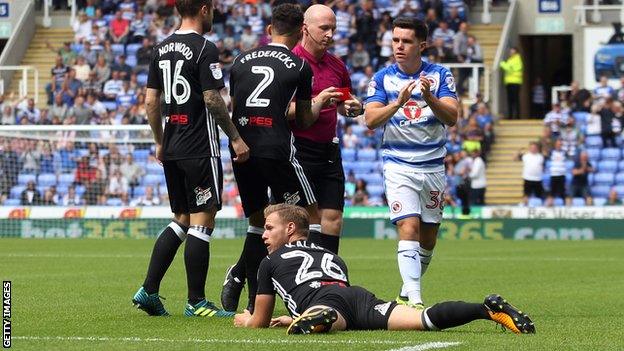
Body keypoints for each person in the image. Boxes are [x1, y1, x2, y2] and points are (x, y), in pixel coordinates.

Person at [233, 203, 536, 336]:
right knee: (423, 319)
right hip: (358, 297)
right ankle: (485, 309)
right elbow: (337, 292)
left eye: (269, 228)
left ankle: (319, 319)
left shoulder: (270, 261)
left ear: (289, 229)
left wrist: (246, 320)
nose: (264, 235)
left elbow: (259, 321)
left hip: (325, 303)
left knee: (333, 318)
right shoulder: (332, 256)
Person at [220, 3, 343, 314]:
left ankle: (250, 303)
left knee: (258, 223)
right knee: (310, 217)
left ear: (269, 29)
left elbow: (236, 107)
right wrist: (320, 102)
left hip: (243, 149)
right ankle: (313, 285)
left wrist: (237, 139)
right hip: (278, 151)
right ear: (301, 29)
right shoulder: (298, 66)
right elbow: (303, 120)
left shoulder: (240, 60)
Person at [132, 0, 249, 318]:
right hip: (199, 146)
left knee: (182, 218)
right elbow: (212, 97)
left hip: (171, 145)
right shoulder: (205, 48)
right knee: (202, 220)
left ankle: (149, 290)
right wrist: (235, 137)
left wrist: (159, 139)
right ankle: (196, 302)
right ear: (204, 9)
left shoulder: (160, 48)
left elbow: (151, 99)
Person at [364, 17, 459, 308]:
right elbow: (370, 120)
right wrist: (397, 103)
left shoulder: (441, 74)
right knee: (409, 227)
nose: (399, 46)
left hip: (432, 166)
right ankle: (416, 300)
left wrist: (429, 96)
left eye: (406, 41)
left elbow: (452, 117)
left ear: (422, 45)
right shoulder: (382, 78)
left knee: (428, 237)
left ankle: (407, 290)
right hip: (398, 164)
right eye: (395, 40)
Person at [290, 4, 364, 254]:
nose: (330, 34)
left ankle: (329, 275)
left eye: (333, 28)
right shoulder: (291, 62)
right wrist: (318, 100)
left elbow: (344, 103)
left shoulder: (337, 66)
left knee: (333, 219)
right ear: (305, 28)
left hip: (329, 150)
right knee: (302, 219)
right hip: (298, 149)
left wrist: (353, 107)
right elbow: (282, 109)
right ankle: (300, 274)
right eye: (324, 28)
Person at [516, 142, 545, 206]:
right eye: (532, 147)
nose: (533, 149)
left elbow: (543, 166)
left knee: (539, 196)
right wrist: (518, 152)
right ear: (529, 148)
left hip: (538, 179)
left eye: (535, 147)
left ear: (537, 148)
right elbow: (515, 159)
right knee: (526, 195)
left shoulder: (540, 156)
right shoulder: (525, 156)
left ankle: (539, 207)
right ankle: (525, 207)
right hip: (528, 178)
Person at [500, 47, 523, 119]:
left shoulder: (518, 60)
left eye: (512, 52)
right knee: (510, 100)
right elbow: (509, 68)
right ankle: (510, 116)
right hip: (509, 82)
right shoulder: (510, 60)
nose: (510, 53)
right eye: (510, 52)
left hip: (515, 82)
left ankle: (517, 116)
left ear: (516, 52)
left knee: (515, 100)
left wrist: (503, 64)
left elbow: (510, 69)